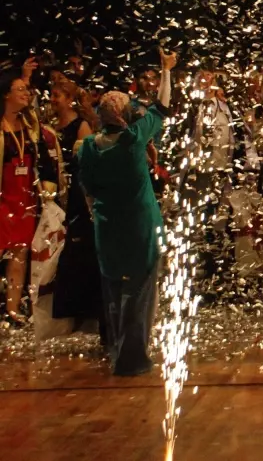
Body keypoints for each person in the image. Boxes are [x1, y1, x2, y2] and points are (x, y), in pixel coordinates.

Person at [76, 90, 164, 375]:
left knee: (113, 289)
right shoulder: (133, 140)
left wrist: (95, 211)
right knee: (139, 290)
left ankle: (118, 350)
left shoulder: (89, 146)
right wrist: (166, 70)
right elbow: (162, 107)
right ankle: (133, 357)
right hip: (140, 225)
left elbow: (87, 186)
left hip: (107, 224)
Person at [1, 65, 64, 325]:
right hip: (3, 194)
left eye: (27, 90)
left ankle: (13, 311)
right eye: (20, 90)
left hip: (24, 196)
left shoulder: (29, 124)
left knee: (20, 253)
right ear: (5, 95)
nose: (26, 94)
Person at [48, 79, 105, 330]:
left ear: (69, 98)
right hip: (60, 193)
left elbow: (87, 165)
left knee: (81, 249)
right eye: (51, 94)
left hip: (78, 196)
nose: (52, 99)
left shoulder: (81, 126)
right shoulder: (50, 127)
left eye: (57, 95)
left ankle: (86, 309)